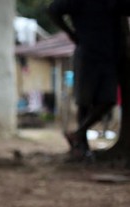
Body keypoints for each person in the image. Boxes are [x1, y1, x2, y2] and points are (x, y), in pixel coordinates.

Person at [48, 0, 130, 162]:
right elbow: (52, 10)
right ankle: (82, 146)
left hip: (108, 57)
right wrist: (71, 33)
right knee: (84, 102)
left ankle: (78, 134)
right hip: (87, 54)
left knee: (108, 100)